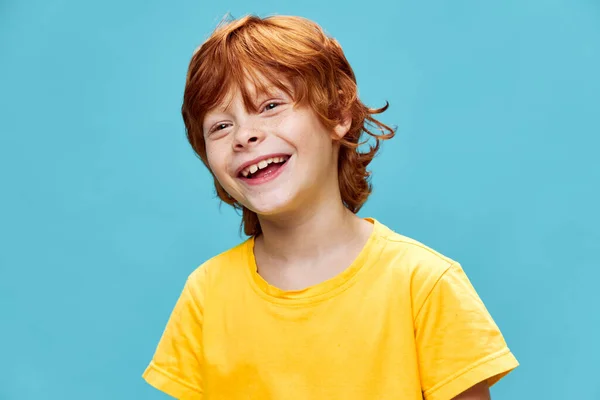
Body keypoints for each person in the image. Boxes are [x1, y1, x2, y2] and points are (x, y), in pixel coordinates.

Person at [142, 14, 519, 400]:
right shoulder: (206, 294)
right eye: (220, 126)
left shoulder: (424, 284)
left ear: (338, 114)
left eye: (270, 105)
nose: (244, 135)